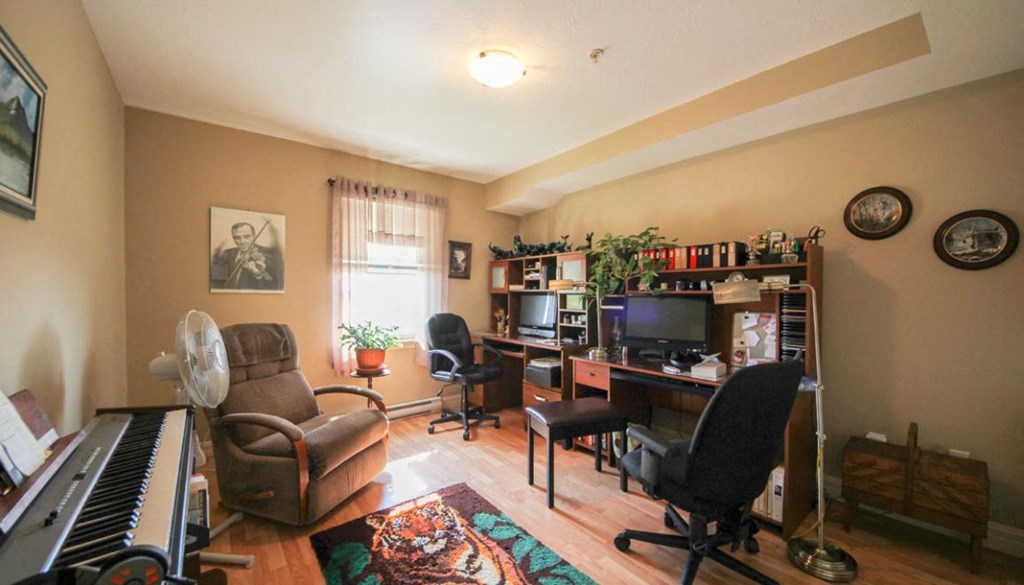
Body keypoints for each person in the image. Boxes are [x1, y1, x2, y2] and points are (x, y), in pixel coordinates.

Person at [210, 221, 283, 290]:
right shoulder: (227, 253)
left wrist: (258, 275)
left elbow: (275, 286)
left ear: (254, 236)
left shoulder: (269, 254)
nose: (242, 241)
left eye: (247, 237)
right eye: (237, 238)